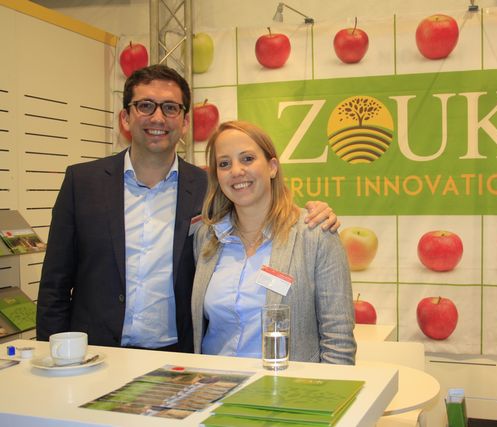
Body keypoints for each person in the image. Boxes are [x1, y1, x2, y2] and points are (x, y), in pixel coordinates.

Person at [36, 65, 338, 352]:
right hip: (95, 354)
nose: (158, 117)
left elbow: (261, 212)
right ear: (125, 118)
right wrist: (52, 353)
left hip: (178, 358)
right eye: (145, 106)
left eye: (170, 108)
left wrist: (316, 213)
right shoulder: (82, 183)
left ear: (184, 122)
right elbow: (55, 285)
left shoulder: (210, 188)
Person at [192, 121, 356, 364]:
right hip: (214, 382)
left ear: (272, 167)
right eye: (224, 164)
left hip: (287, 386)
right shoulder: (206, 237)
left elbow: (338, 340)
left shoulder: (316, 235)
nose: (236, 171)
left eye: (247, 159)